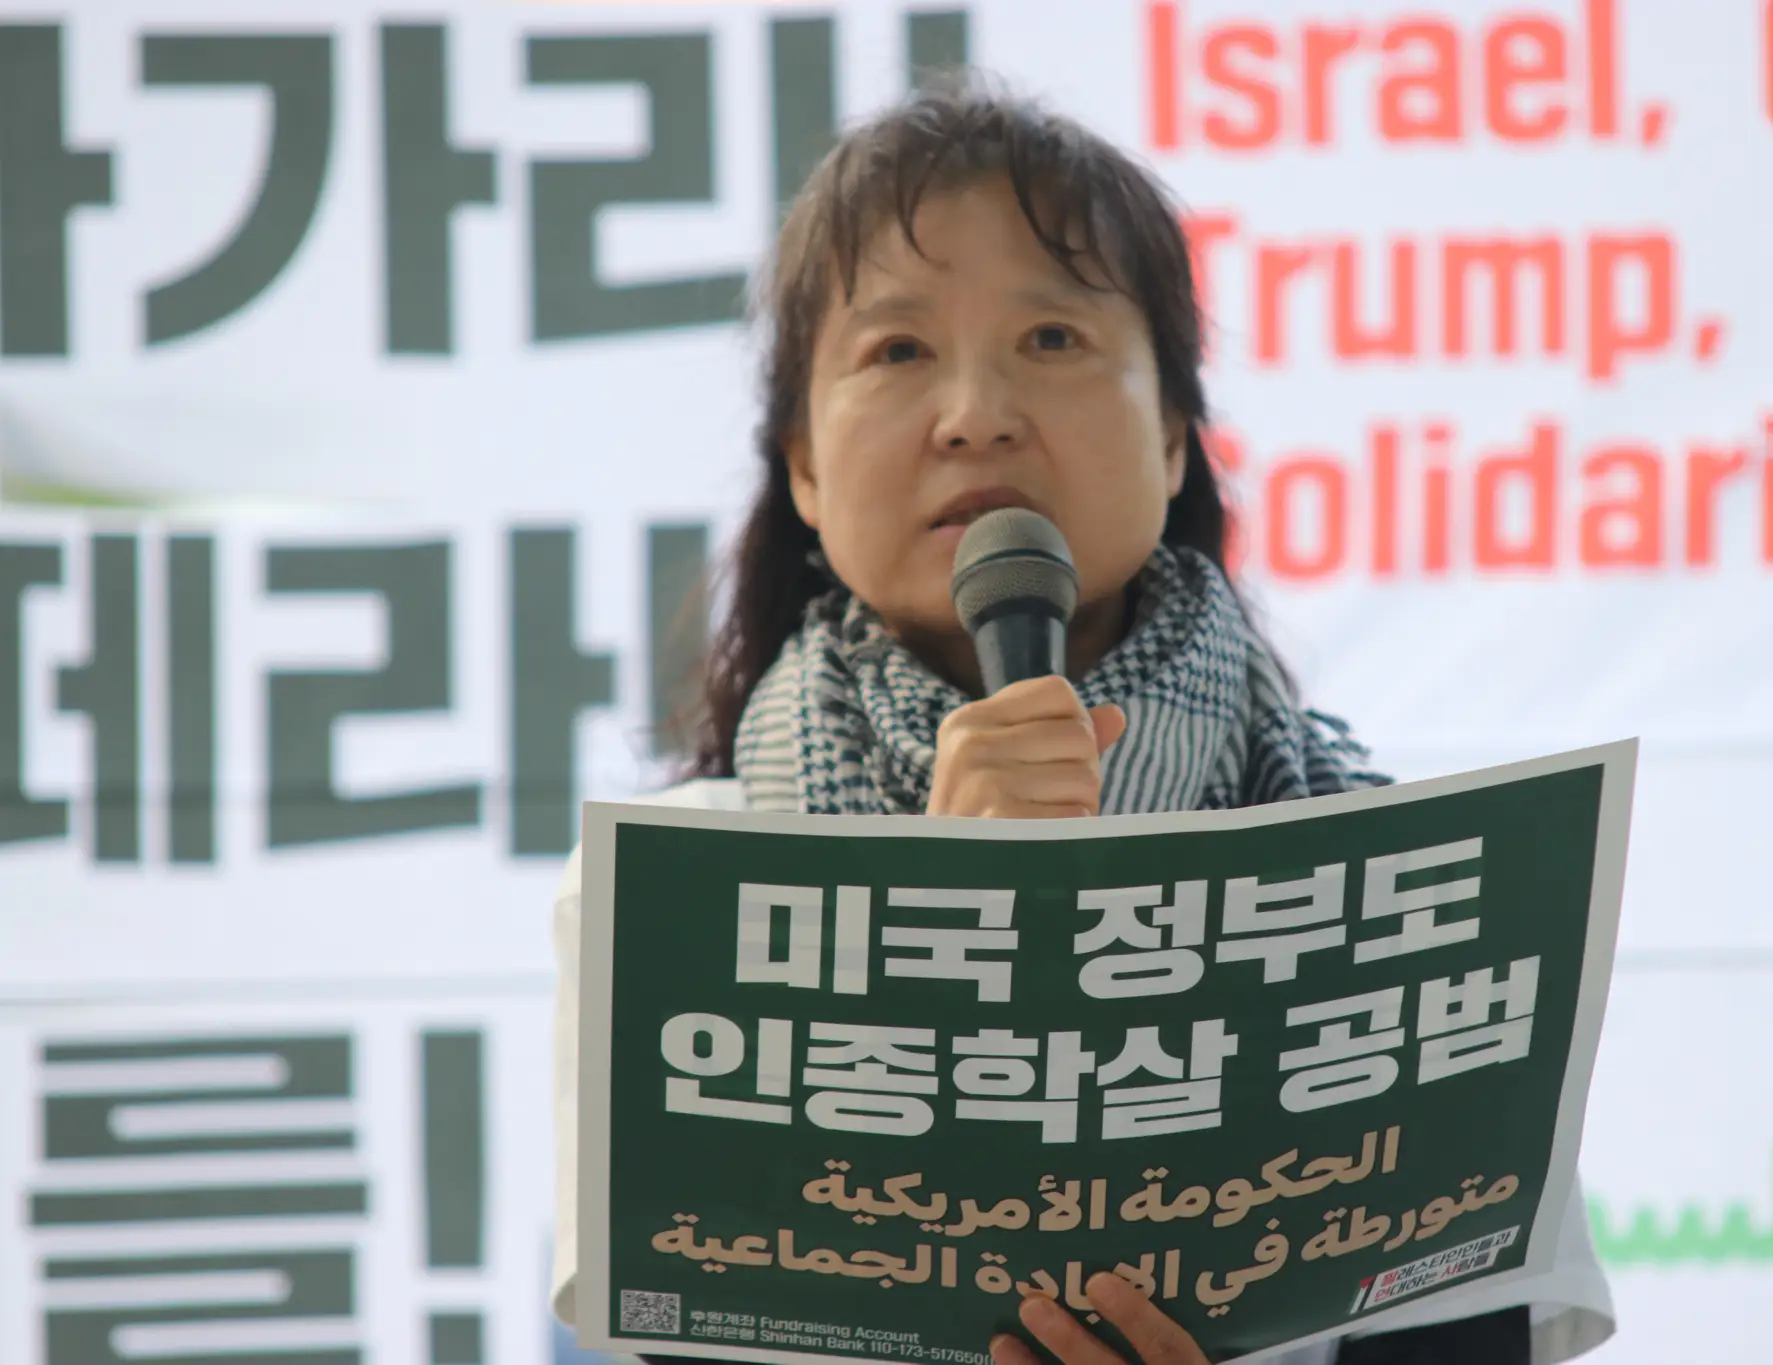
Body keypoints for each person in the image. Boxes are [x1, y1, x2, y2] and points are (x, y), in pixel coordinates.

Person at [551, 83, 1615, 1365]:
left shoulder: (1402, 887)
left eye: (1051, 336)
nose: (974, 414)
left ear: (1170, 437)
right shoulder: (671, 898)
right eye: (896, 352)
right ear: (805, 468)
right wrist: (934, 917)